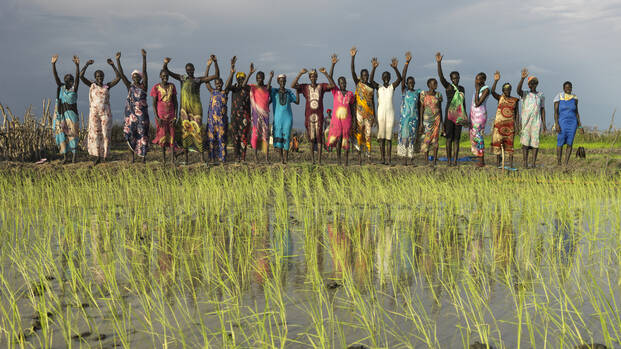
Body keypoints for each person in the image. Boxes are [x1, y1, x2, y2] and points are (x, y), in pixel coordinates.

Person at [163, 57, 218, 164]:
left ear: (194, 69)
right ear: (186, 70)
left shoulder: (198, 80)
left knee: (198, 133)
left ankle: (202, 158)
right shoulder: (182, 78)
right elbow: (167, 72)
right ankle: (186, 159)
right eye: (188, 69)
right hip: (185, 112)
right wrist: (165, 64)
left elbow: (216, 76)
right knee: (185, 134)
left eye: (191, 69)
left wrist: (215, 63)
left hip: (196, 111)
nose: (189, 71)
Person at [291, 54, 338, 164]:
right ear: (309, 78)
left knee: (320, 138)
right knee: (312, 139)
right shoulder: (305, 87)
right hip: (309, 116)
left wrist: (326, 73)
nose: (313, 77)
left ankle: (319, 160)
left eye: (314, 76)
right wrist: (299, 74)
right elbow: (293, 85)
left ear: (316, 77)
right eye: (311, 76)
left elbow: (332, 85)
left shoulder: (321, 86)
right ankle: (313, 160)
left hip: (319, 116)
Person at [80, 57, 121, 165]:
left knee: (105, 134)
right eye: (98, 76)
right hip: (94, 114)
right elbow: (81, 76)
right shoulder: (91, 85)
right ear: (95, 77)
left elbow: (118, 77)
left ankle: (105, 156)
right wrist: (86, 64)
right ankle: (97, 157)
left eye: (101, 76)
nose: (100, 78)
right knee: (95, 134)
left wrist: (113, 65)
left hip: (105, 114)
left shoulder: (107, 86)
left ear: (103, 77)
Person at [116, 50, 149, 163]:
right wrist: (117, 60)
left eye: (137, 76)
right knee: (131, 135)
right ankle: (132, 158)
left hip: (142, 116)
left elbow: (144, 71)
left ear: (140, 78)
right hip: (130, 115)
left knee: (143, 134)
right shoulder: (129, 86)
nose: (135, 78)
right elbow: (121, 75)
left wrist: (144, 58)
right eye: (134, 76)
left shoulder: (144, 86)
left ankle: (143, 158)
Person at [436, 52, 467, 166]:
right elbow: (441, 77)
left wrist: (465, 116)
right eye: (454, 78)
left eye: (457, 78)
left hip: (459, 116)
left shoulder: (462, 88)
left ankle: (455, 161)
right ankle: (449, 161)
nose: (456, 80)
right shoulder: (448, 86)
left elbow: (463, 103)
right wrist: (439, 63)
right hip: (449, 115)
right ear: (451, 79)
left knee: (457, 139)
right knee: (449, 138)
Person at [350, 46, 378, 164]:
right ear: (361, 76)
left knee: (368, 136)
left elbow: (373, 102)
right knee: (359, 135)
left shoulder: (371, 87)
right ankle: (360, 158)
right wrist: (353, 57)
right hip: (359, 114)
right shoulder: (359, 84)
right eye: (364, 75)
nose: (365, 76)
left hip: (370, 115)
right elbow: (352, 71)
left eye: (367, 75)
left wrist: (375, 116)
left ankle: (369, 157)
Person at [204, 55, 235, 164]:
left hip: (222, 121)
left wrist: (231, 72)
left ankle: (222, 159)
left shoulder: (224, 92)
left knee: (222, 140)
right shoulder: (212, 91)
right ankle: (212, 159)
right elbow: (206, 80)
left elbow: (228, 83)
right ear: (215, 84)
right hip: (212, 121)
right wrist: (208, 66)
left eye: (220, 83)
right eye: (216, 83)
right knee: (211, 140)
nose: (218, 85)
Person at [51, 54, 80, 164]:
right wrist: (53, 64)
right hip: (61, 115)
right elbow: (56, 78)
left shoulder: (74, 90)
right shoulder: (61, 88)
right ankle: (65, 157)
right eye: (67, 80)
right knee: (61, 136)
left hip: (72, 116)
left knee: (72, 135)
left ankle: (74, 157)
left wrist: (77, 66)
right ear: (64, 81)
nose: (69, 81)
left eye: (71, 80)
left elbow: (78, 78)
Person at [376, 57, 403, 165]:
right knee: (381, 137)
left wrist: (395, 68)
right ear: (382, 78)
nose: (386, 78)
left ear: (390, 77)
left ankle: (389, 159)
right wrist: (374, 68)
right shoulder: (379, 87)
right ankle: (382, 158)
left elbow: (400, 79)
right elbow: (371, 80)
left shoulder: (392, 87)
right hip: (381, 113)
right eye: (384, 76)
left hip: (390, 113)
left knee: (389, 137)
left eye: (388, 76)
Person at [517, 68, 546, 168]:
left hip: (536, 122)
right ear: (528, 85)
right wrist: (522, 78)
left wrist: (544, 124)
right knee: (525, 142)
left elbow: (542, 109)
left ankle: (533, 163)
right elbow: (518, 90)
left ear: (537, 84)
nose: (532, 85)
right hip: (526, 122)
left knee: (535, 142)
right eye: (531, 83)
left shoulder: (540, 95)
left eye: (534, 83)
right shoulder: (525, 94)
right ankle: (525, 163)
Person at [490, 71, 519, 169]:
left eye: (509, 89)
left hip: (510, 125)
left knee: (510, 145)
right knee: (498, 144)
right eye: (505, 89)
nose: (507, 91)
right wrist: (495, 81)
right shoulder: (500, 98)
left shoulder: (515, 100)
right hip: (499, 125)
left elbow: (517, 113)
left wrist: (517, 125)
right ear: (503, 90)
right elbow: (492, 92)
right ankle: (498, 164)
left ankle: (510, 165)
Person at [327, 68, 355, 166]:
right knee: (338, 140)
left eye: (344, 82)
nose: (343, 84)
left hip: (347, 120)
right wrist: (333, 65)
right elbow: (330, 78)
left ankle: (346, 161)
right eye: (341, 82)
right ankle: (339, 161)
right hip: (337, 120)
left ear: (346, 83)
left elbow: (352, 108)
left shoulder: (350, 94)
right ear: (338, 84)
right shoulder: (335, 92)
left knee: (346, 140)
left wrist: (354, 120)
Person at [397, 51, 421, 165]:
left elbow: (420, 107)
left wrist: (420, 121)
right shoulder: (404, 91)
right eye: (409, 82)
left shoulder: (417, 93)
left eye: (413, 82)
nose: (411, 84)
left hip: (414, 120)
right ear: (406, 83)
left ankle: (411, 160)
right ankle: (404, 160)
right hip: (405, 120)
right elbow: (402, 77)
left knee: (412, 139)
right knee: (404, 139)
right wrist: (407, 63)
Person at [270, 74, 300, 164]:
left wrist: (297, 90)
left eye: (284, 81)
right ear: (278, 82)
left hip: (287, 118)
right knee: (278, 137)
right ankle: (281, 159)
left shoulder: (289, 92)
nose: (282, 82)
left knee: (286, 136)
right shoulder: (274, 91)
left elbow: (297, 101)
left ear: (285, 82)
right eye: (280, 80)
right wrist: (271, 77)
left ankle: (286, 159)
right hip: (278, 118)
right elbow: (267, 92)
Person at [150, 69, 178, 164]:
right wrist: (157, 117)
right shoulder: (156, 87)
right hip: (161, 116)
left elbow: (175, 102)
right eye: (163, 75)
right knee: (162, 136)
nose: (165, 77)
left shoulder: (172, 86)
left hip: (171, 115)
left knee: (172, 136)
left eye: (166, 75)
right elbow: (154, 104)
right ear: (160, 76)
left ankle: (172, 160)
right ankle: (163, 159)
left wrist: (175, 116)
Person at [229, 62, 255, 162]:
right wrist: (231, 73)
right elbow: (227, 85)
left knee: (243, 137)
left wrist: (249, 73)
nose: (240, 80)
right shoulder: (234, 88)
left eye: (242, 78)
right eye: (238, 78)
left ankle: (243, 158)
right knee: (235, 137)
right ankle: (236, 157)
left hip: (245, 116)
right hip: (234, 116)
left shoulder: (248, 88)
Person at [554, 81, 583, 166]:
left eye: (570, 87)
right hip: (562, 122)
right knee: (560, 142)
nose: (568, 89)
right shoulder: (559, 97)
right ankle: (559, 162)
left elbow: (577, 112)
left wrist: (580, 126)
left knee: (570, 143)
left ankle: (566, 163)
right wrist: (556, 124)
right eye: (566, 87)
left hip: (573, 123)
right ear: (563, 88)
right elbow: (555, 112)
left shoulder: (575, 98)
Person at [250, 71, 274, 163]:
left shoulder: (267, 88)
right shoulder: (253, 88)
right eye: (258, 78)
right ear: (256, 78)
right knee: (256, 135)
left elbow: (268, 92)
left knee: (265, 136)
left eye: (261, 77)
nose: (259, 79)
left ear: (264, 78)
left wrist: (271, 77)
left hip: (265, 115)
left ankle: (266, 158)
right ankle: (256, 158)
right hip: (256, 115)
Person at [419, 78, 443, 167]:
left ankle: (434, 161)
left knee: (435, 140)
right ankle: (426, 161)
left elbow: (440, 109)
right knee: (426, 140)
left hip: (436, 120)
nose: (436, 85)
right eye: (434, 83)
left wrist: (442, 123)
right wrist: (421, 123)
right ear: (429, 85)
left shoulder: (438, 95)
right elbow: (421, 108)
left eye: (436, 83)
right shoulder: (423, 95)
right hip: (426, 121)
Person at [469, 73, 490, 167]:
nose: (476, 81)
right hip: (474, 116)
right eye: (476, 79)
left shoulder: (486, 89)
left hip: (480, 116)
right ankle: (479, 158)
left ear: (483, 80)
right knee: (474, 136)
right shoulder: (477, 90)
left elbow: (477, 103)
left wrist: (477, 90)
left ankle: (481, 160)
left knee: (478, 137)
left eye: (479, 79)